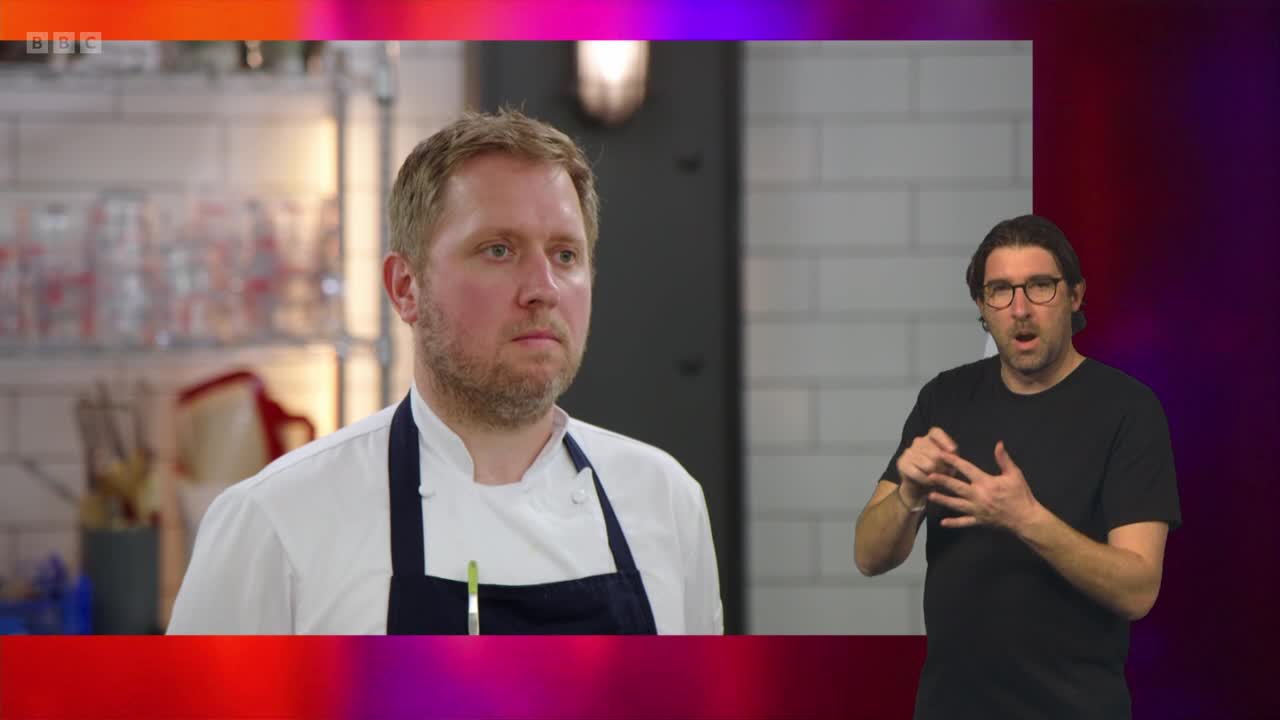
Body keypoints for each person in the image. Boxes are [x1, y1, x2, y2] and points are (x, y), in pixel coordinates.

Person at [168, 109, 723, 635]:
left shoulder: (665, 501)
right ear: (406, 288)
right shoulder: (276, 522)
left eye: (565, 255)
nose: (543, 290)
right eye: (499, 250)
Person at [853, 215, 1180, 718]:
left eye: (1040, 287)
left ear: (1074, 296)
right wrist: (908, 497)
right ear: (983, 307)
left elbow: (1138, 590)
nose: (1020, 309)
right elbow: (868, 556)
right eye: (1000, 291)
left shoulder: (1128, 410)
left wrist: (1027, 519)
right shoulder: (945, 397)